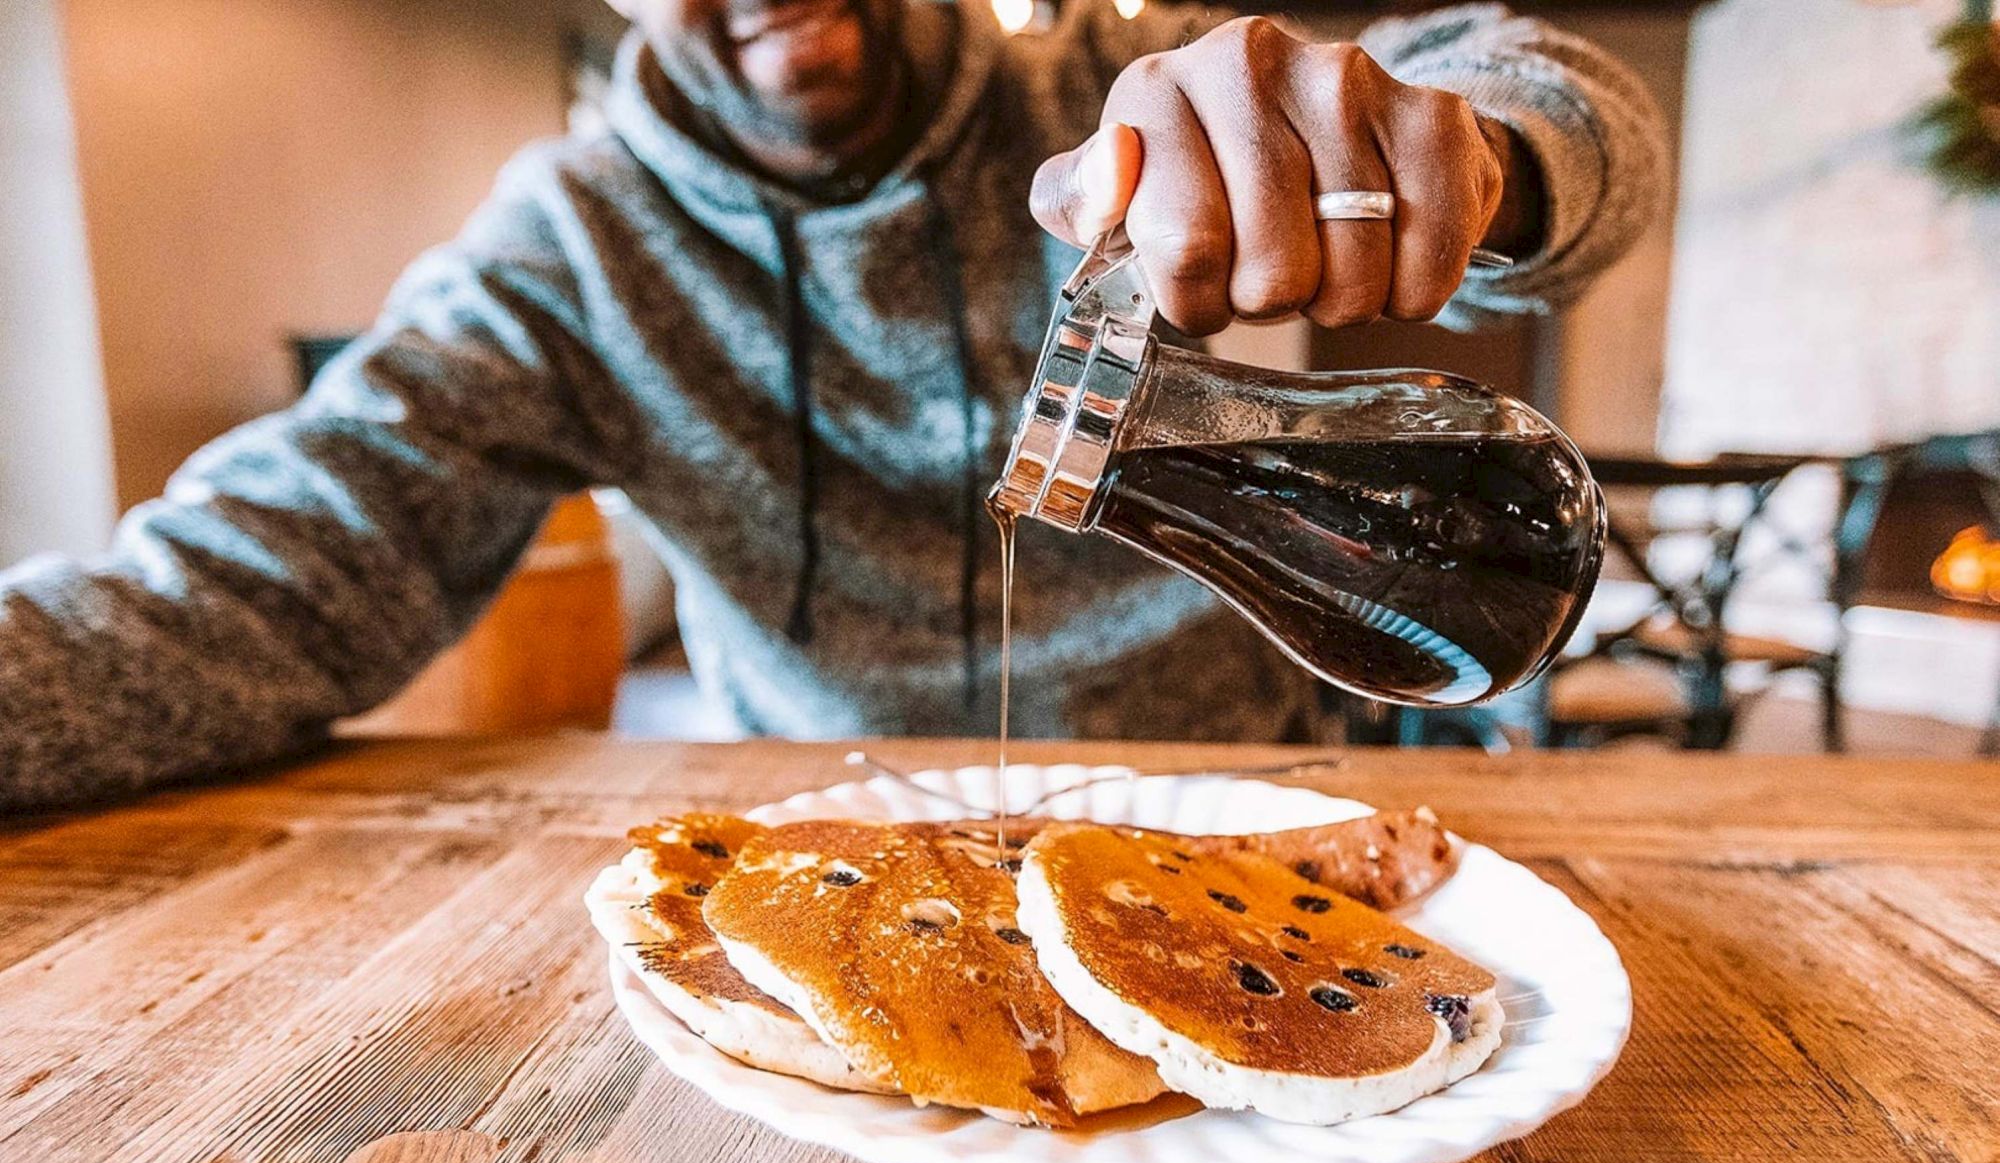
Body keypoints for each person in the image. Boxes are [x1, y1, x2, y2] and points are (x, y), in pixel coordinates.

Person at [0, 0, 1666, 813]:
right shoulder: (571, 249)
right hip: (840, 847)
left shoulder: (1110, 75)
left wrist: (1485, 161)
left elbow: (1578, 120)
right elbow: (244, 590)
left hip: (1241, 811)